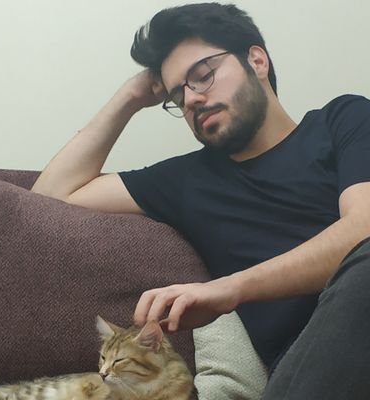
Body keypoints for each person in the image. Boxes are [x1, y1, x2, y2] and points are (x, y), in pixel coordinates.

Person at [31, 3, 370, 398]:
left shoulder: (343, 120)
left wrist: (230, 288)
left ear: (257, 60)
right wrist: (130, 96)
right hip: (309, 374)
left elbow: (363, 228)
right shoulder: (186, 180)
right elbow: (48, 199)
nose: (190, 99)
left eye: (202, 75)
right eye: (177, 94)